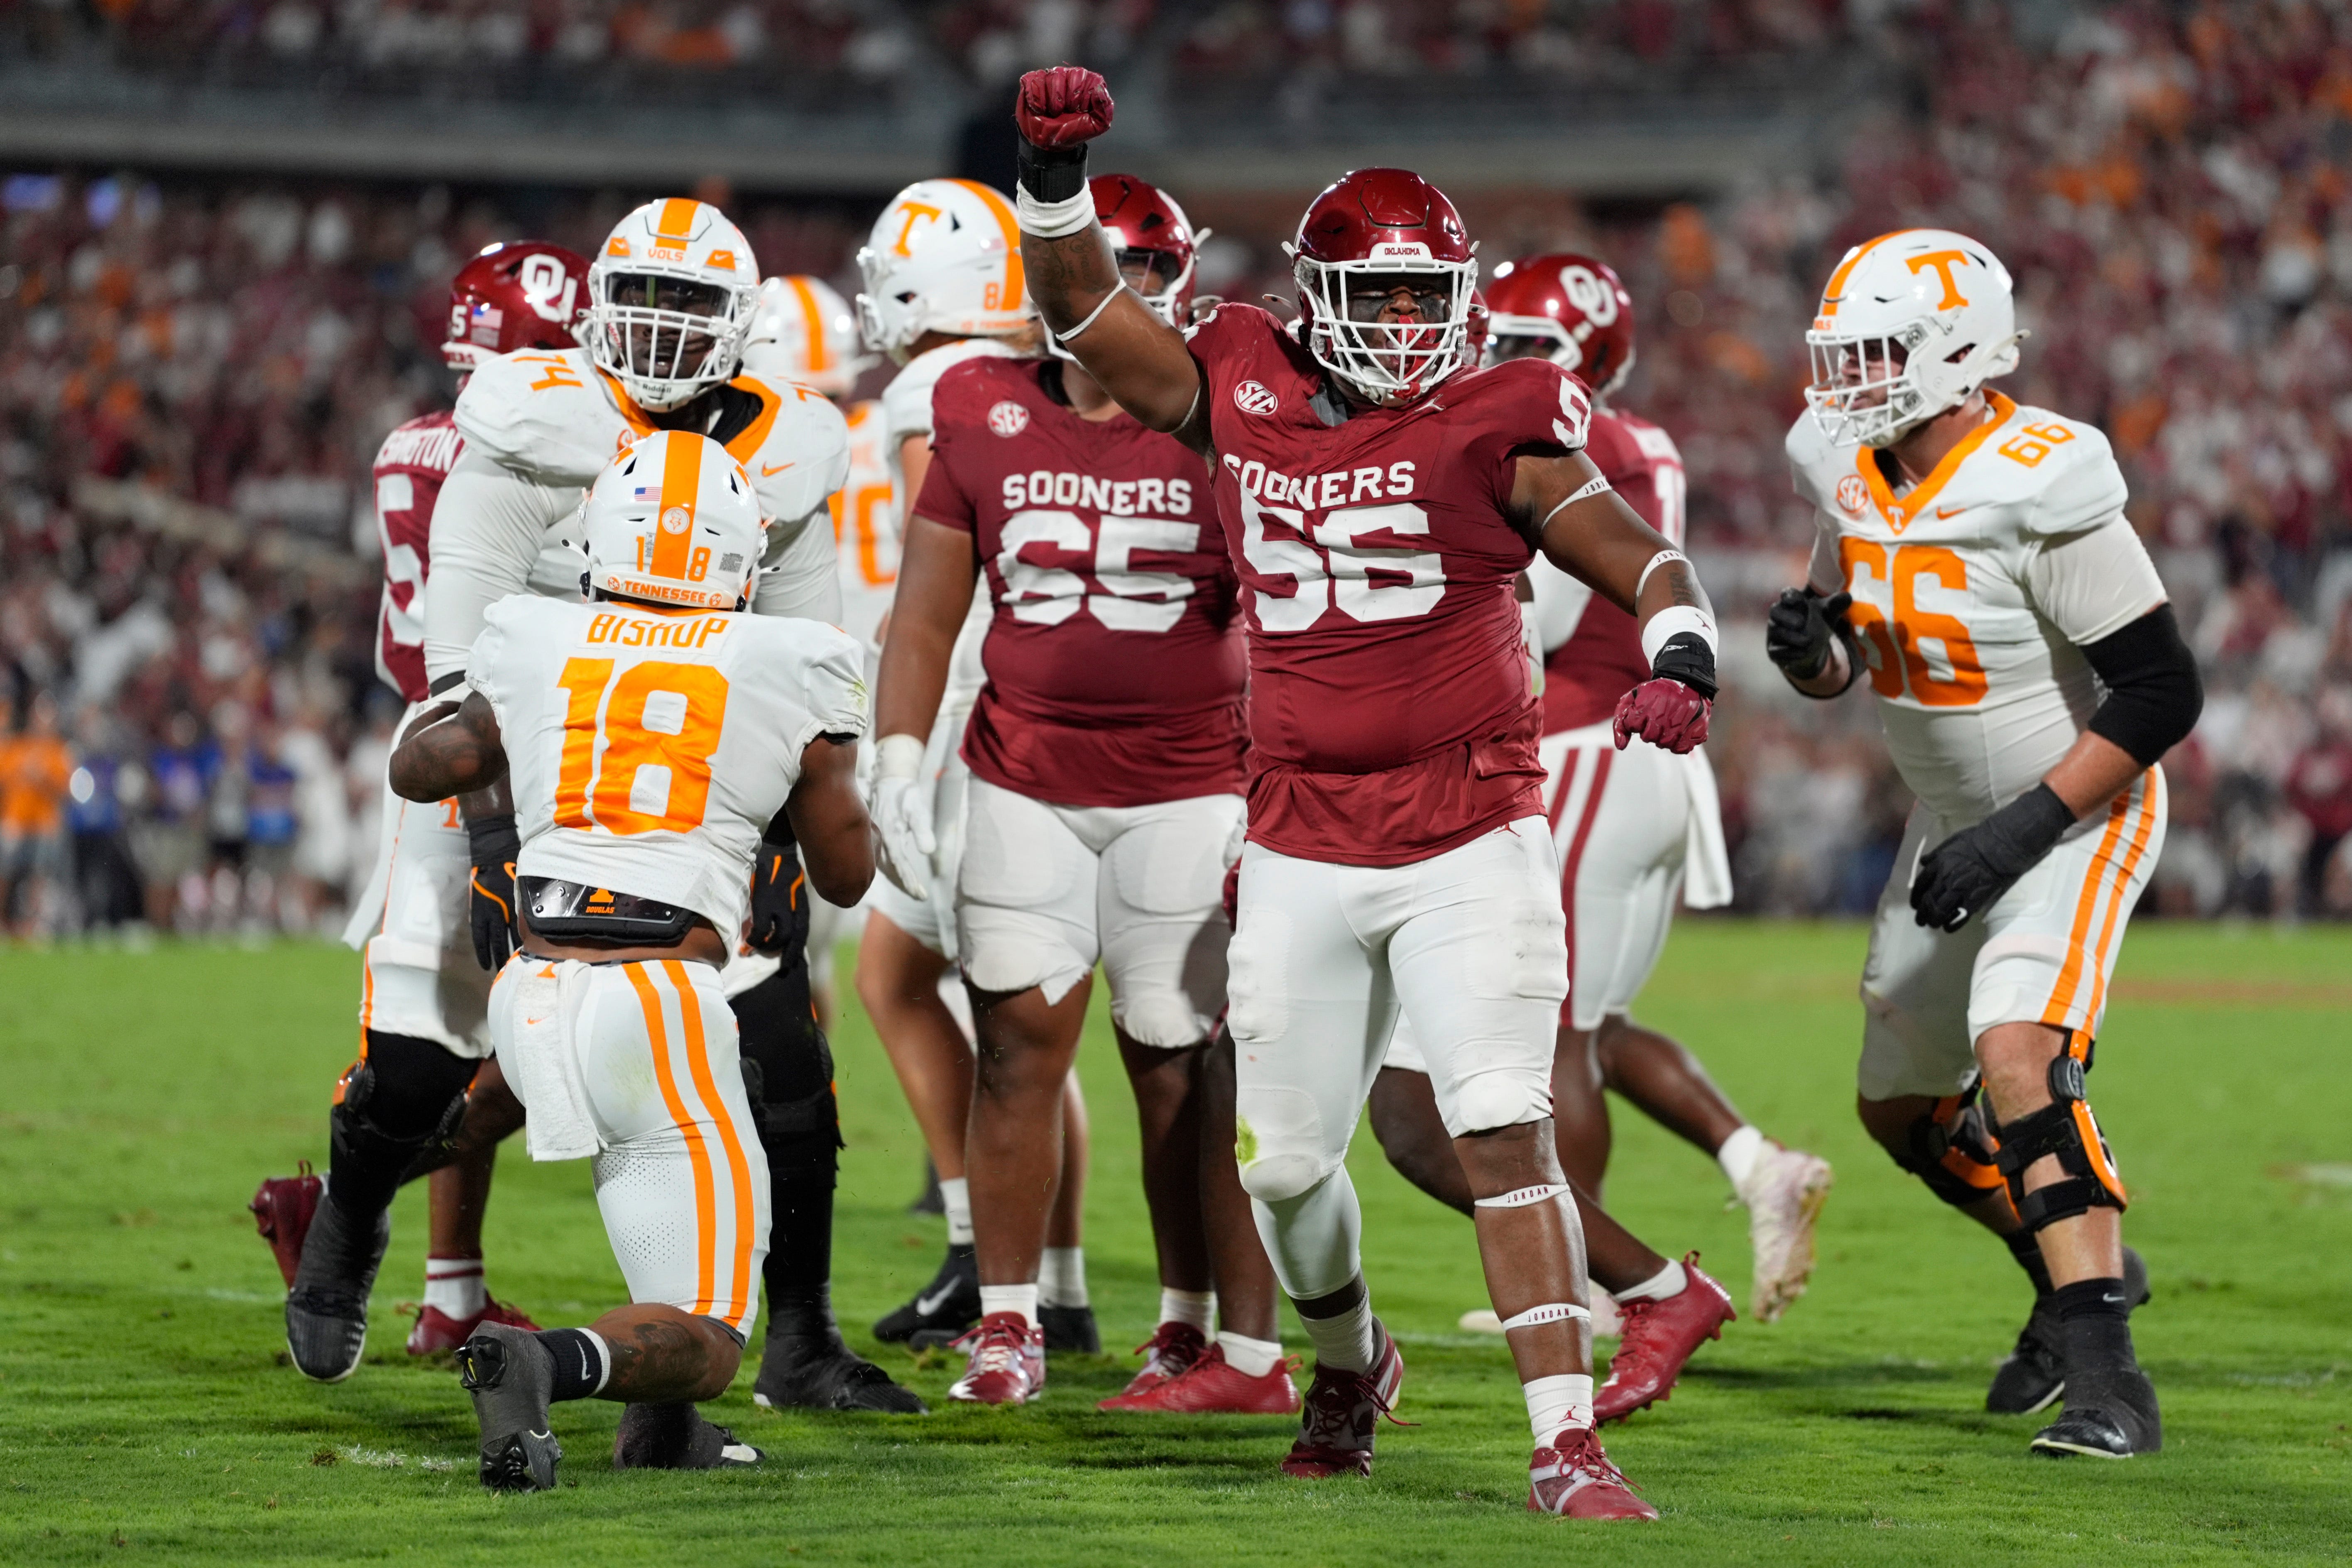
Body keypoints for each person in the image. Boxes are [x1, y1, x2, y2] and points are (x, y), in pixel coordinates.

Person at [1008, 66, 1726, 1518]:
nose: (1404, 328)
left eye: (1424, 302)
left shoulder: (1501, 417)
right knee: (1280, 1168)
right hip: (1296, 838)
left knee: (1497, 1121)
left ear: (1460, 301)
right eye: (1376, 301)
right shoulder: (1241, 379)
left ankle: (1564, 1438)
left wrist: (1683, 648)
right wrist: (1052, 184)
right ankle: (1347, 1360)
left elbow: (1641, 555)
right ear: (1316, 294)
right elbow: (1084, 312)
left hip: (1469, 830)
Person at [414, 199, 920, 1419]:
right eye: (641, 294)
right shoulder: (537, 423)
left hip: (648, 814)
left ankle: (768, 1345)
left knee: (777, 1066)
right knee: (609, 1107)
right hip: (586, 819)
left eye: (690, 304)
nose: (656, 327)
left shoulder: (777, 451)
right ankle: (394, 1228)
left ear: (737, 327)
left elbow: (430, 740)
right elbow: (450, 693)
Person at [1772, 228, 2200, 1459]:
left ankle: (2108, 1378)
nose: (1849, 382)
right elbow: (1846, 653)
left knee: (2018, 1056)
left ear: (1954, 350)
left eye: (1873, 355)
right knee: (1900, 1109)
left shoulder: (2040, 469)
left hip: (2072, 811)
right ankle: (2071, 1274)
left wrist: (2019, 830)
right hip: (1952, 825)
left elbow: (2159, 690)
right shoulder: (1848, 465)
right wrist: (1812, 650)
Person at [873, 171, 1292, 1413]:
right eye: (1110, 263)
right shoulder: (977, 401)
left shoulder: (1227, 419)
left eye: (1153, 267)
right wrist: (896, 753)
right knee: (1015, 1050)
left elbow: (1289, 614)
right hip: (1026, 778)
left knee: (1177, 1062)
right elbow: (926, 607)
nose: (1127, 292)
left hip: (1186, 784)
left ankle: (1188, 1321)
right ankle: (1009, 1321)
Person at [387, 430, 875, 1490]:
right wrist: (777, 794)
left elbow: (419, 765)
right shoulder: (790, 658)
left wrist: (518, 720)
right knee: (712, 1328)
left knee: (666, 1238)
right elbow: (846, 874)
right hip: (656, 995)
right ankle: (542, 1361)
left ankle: (661, 1434)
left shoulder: (535, 634)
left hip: (531, 989)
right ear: (739, 558)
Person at [1370, 253, 1834, 1334]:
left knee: (1556, 1036)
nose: (1514, 364)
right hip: (1645, 751)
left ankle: (1587, 1288)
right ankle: (1757, 1164)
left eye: (1538, 349)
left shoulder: (1574, 440)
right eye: (1511, 344)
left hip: (1589, 742)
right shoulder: (1639, 438)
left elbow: (1550, 624)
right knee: (1595, 1021)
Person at [252, 242, 588, 1376]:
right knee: (420, 1060)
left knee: (604, 1048)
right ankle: (351, 1219)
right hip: (456, 748)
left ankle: (668, 1332)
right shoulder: (449, 455)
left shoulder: (450, 441)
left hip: (602, 764)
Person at [851, 178, 1098, 1353]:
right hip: (1022, 707)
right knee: (1019, 1009)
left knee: (921, 987)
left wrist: (908, 740)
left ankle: (981, 1255)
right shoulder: (1022, 371)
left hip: (961, 716)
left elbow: (939, 571)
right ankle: (1057, 1282)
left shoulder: (929, 388)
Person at [739, 272, 880, 1028]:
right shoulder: (901, 430)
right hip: (904, 717)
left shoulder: (750, 450)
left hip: (795, 722)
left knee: (772, 957)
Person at [0, 691, 73, 935]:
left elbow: (65, 792)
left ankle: (34, 925)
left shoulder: (58, 751)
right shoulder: (16, 747)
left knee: (39, 876)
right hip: (16, 821)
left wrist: (42, 778)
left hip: (45, 823)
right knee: (4, 873)